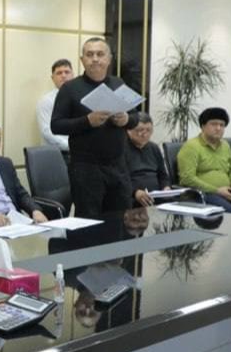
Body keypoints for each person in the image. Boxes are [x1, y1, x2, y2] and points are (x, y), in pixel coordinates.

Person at [50, 37, 137, 217]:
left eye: (100, 54)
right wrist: (87, 121)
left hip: (118, 166)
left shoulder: (118, 83)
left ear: (109, 59)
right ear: (82, 60)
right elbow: (56, 125)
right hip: (85, 169)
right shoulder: (70, 88)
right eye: (89, 55)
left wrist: (126, 119)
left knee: (120, 220)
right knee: (89, 223)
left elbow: (135, 118)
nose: (95, 59)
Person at [125, 112, 171, 207]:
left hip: (157, 197)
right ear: (129, 131)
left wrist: (166, 187)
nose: (145, 134)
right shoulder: (121, 149)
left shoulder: (154, 148)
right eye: (140, 130)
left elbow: (163, 175)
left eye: (149, 130)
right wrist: (135, 192)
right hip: (132, 197)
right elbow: (119, 179)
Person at [36, 58, 74, 154]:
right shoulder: (45, 101)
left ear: (73, 75)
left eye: (67, 72)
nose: (63, 76)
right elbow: (46, 131)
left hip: (78, 152)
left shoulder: (80, 98)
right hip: (56, 153)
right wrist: (69, 146)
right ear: (52, 78)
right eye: (59, 73)